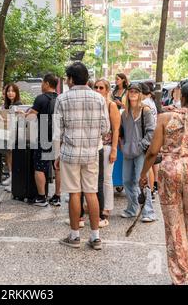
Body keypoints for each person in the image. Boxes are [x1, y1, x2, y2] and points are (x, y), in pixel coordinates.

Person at [139, 82, 188, 285]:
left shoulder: (165, 118)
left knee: (174, 223)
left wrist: (143, 174)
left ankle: (180, 273)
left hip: (170, 169)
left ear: (181, 96)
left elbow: (153, 151)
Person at [53, 62, 110, 250]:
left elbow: (57, 131)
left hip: (70, 153)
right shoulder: (99, 98)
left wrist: (56, 155)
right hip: (92, 153)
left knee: (74, 193)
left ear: (70, 79)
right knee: (91, 192)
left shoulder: (62, 99)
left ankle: (75, 236)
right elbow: (105, 128)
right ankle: (95, 238)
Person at [119, 83, 157, 222]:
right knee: (127, 180)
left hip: (141, 152)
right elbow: (122, 133)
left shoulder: (145, 110)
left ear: (140, 94)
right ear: (127, 93)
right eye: (131, 91)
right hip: (128, 151)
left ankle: (148, 212)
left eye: (136, 91)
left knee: (142, 181)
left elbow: (151, 131)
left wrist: (141, 146)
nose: (133, 93)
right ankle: (132, 209)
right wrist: (123, 146)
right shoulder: (125, 113)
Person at [24, 73, 61, 207]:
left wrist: (25, 115)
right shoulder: (60, 99)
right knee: (57, 167)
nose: (41, 85)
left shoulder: (40, 99)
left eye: (42, 83)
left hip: (44, 135)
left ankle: (41, 198)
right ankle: (57, 197)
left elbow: (31, 118)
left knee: (39, 167)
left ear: (46, 83)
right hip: (57, 136)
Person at [93, 78, 121, 224]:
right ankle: (96, 206)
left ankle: (107, 208)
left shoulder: (111, 105)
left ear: (107, 90)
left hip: (107, 145)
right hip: (93, 146)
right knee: (95, 178)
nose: (97, 90)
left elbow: (116, 129)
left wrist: (114, 149)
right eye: (96, 87)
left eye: (101, 88)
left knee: (106, 179)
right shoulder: (94, 105)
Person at [0, 84, 22, 191]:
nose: (10, 93)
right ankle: (11, 176)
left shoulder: (18, 105)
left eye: (13, 91)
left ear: (17, 93)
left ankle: (14, 181)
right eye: (8, 91)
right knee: (8, 154)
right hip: (8, 132)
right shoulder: (8, 105)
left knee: (13, 156)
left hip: (16, 134)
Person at [141, 82, 160, 201]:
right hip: (154, 134)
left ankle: (151, 190)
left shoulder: (145, 103)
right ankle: (154, 188)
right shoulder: (151, 101)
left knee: (148, 165)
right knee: (152, 163)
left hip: (148, 135)